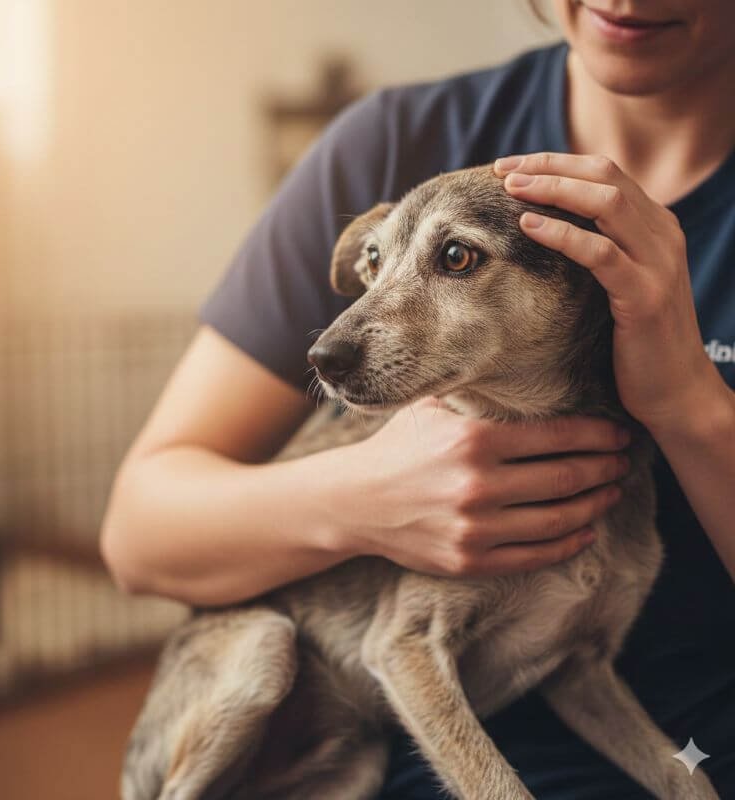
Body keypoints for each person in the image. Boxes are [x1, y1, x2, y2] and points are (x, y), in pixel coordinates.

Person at [100, 1, 735, 796]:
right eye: (374, 263)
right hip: (365, 745)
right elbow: (136, 536)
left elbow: (577, 661)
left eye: (460, 259)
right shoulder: (392, 141)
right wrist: (362, 498)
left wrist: (683, 398)